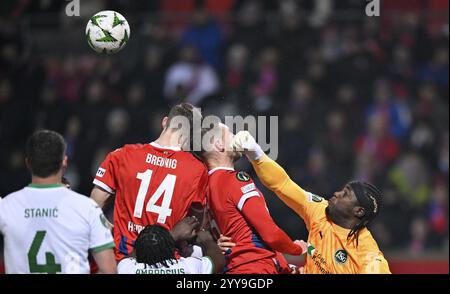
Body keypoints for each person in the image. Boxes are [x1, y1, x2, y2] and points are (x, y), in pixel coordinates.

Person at [230, 131, 391, 274]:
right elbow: (283, 185)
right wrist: (256, 154)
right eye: (343, 189)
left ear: (359, 211)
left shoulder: (369, 257)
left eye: (345, 194)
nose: (337, 193)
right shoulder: (320, 210)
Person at [91, 103, 209, 261]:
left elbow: (92, 208)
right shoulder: (197, 170)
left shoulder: (123, 155)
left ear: (165, 122)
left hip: (125, 260)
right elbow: (195, 226)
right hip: (166, 264)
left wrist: (114, 231)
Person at [0, 130, 116, 274]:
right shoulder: (87, 209)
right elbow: (109, 269)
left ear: (28, 163)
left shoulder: (6, 207)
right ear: (64, 162)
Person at [201, 123, 305, 274]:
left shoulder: (204, 188)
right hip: (255, 267)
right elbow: (270, 234)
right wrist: (297, 249)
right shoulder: (233, 180)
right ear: (219, 144)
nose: (235, 136)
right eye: (230, 133)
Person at [118, 217, 224, 274]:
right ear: (171, 249)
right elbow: (219, 260)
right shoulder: (188, 267)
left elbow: (126, 259)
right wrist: (206, 239)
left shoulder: (127, 269)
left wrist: (172, 235)